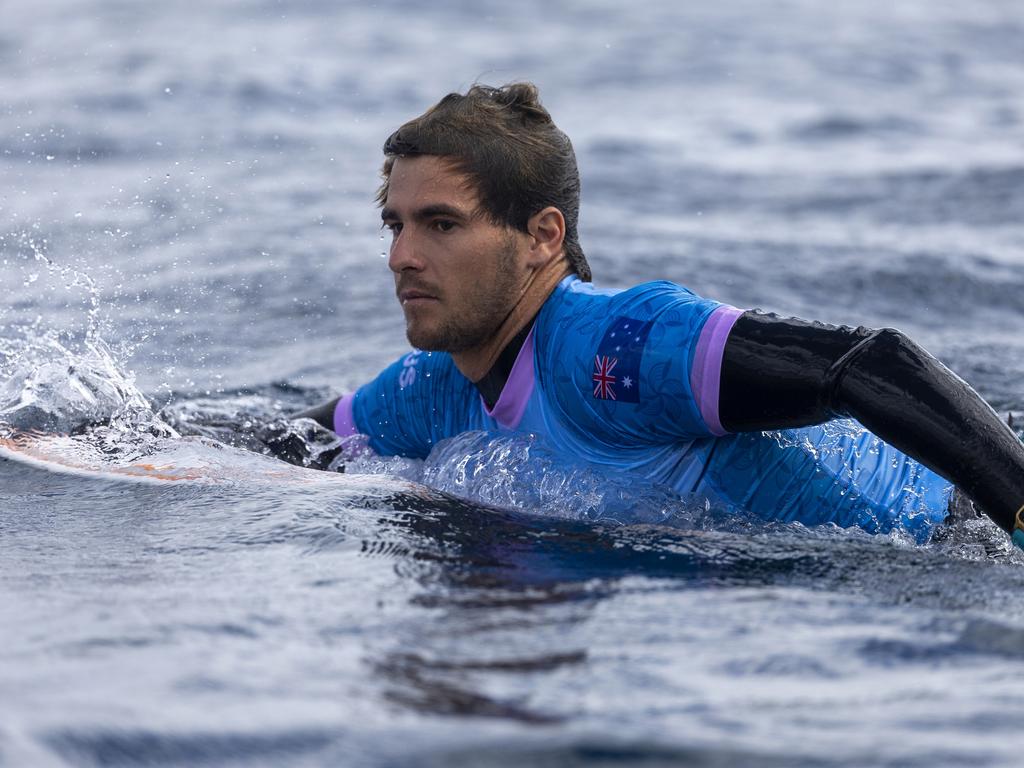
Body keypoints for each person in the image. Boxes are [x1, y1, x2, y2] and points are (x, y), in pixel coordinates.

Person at [296, 82, 1024, 546]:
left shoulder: (614, 349)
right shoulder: (431, 387)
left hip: (951, 534)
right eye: (395, 226)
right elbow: (297, 439)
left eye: (442, 225)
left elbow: (867, 361)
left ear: (543, 236)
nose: (402, 257)